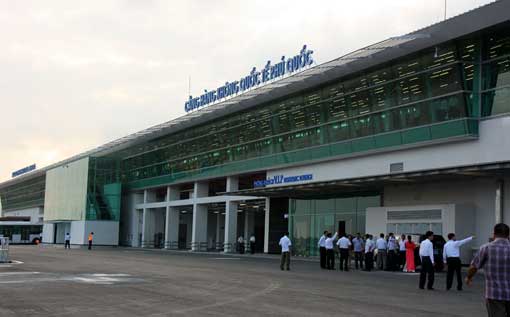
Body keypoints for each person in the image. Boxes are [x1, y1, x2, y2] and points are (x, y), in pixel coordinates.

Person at [466, 223, 510, 317]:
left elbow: (474, 266)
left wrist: (469, 277)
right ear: (508, 235)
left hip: (494, 293)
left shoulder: (486, 248)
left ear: (494, 234)